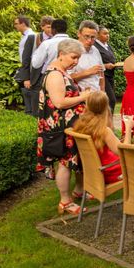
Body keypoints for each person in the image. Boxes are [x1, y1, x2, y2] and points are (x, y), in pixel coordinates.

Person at [36, 39, 91, 215]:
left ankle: (79, 190)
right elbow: (59, 103)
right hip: (60, 130)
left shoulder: (61, 72)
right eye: (74, 57)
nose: (76, 61)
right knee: (65, 163)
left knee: (75, 160)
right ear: (61, 55)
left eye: (78, 58)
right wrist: (83, 97)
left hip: (67, 128)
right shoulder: (54, 75)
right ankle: (65, 201)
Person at [73, 91, 134, 184]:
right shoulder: (104, 130)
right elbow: (124, 151)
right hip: (109, 171)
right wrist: (128, 128)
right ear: (106, 107)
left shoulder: (81, 125)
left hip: (93, 171)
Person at [69, 20, 105, 93]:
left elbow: (101, 74)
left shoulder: (95, 50)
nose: (89, 40)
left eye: (93, 37)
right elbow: (66, 77)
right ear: (78, 33)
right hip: (79, 97)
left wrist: (103, 92)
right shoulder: (70, 51)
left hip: (96, 96)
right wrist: (88, 72)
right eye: (86, 36)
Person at [14, 16, 35, 115]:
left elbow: (30, 56)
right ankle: (29, 110)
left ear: (23, 24)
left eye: (16, 24)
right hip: (25, 66)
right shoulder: (24, 36)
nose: (15, 26)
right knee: (25, 88)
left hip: (29, 67)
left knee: (28, 89)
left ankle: (30, 112)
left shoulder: (30, 36)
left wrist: (27, 75)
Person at [94, 26, 117, 113]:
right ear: (98, 35)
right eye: (105, 33)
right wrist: (105, 65)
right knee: (111, 100)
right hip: (102, 76)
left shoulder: (107, 46)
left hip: (110, 75)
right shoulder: (95, 47)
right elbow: (94, 63)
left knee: (110, 100)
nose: (108, 35)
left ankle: (108, 122)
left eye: (108, 34)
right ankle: (107, 122)